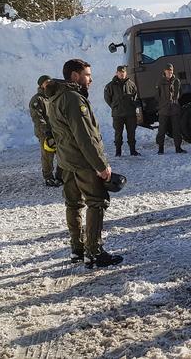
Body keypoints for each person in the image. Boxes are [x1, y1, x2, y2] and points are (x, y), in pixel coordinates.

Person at [46, 59, 123, 268]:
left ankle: (77, 250)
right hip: (82, 162)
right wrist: (100, 165)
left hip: (67, 162)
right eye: (87, 75)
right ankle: (94, 252)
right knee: (97, 202)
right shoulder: (72, 98)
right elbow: (85, 137)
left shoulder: (55, 97)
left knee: (73, 204)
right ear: (74, 76)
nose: (90, 79)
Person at [29, 75, 63, 187]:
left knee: (62, 154)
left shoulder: (53, 96)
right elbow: (37, 118)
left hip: (57, 131)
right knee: (47, 156)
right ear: (41, 85)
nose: (49, 83)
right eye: (46, 82)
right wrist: (46, 131)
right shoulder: (37, 99)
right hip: (45, 133)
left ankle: (60, 176)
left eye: (50, 81)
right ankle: (48, 178)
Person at [104, 65, 140, 157]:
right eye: (120, 72)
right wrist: (114, 106)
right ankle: (118, 152)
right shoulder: (110, 85)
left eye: (123, 72)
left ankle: (133, 151)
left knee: (131, 133)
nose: (122, 74)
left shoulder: (131, 84)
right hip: (118, 114)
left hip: (130, 114)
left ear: (126, 73)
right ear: (116, 73)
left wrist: (133, 106)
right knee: (118, 133)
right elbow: (107, 98)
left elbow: (135, 97)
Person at [156, 63, 186, 154]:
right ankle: (160, 149)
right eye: (168, 70)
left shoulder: (176, 81)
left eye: (171, 70)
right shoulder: (160, 81)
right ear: (165, 71)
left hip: (174, 108)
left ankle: (178, 148)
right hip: (163, 109)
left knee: (176, 129)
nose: (170, 72)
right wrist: (163, 103)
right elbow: (157, 96)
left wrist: (174, 101)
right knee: (162, 130)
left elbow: (180, 93)